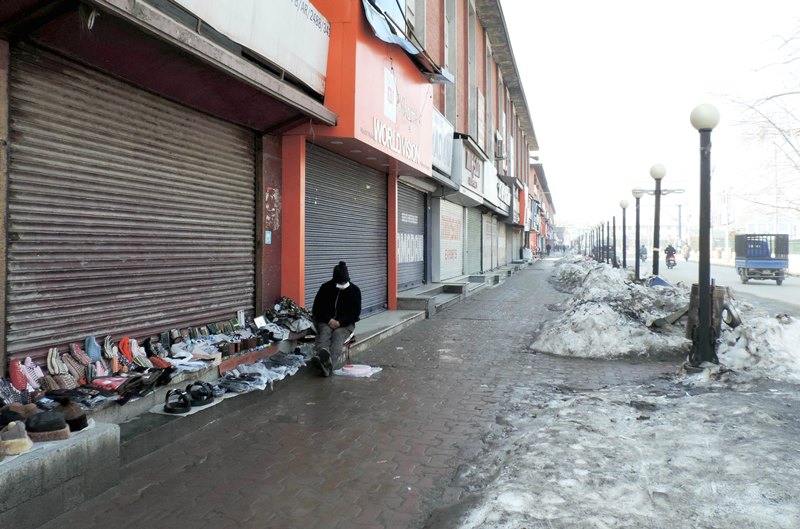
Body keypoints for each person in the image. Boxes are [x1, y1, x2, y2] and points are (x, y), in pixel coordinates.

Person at [310, 261, 361, 377]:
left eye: (344, 282)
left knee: (338, 334)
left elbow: (355, 313)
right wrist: (329, 320)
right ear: (334, 280)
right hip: (326, 321)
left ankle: (328, 366)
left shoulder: (355, 290)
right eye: (339, 282)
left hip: (345, 324)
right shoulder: (325, 288)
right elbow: (317, 309)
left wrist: (340, 322)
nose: (342, 284)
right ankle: (322, 357)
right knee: (325, 331)